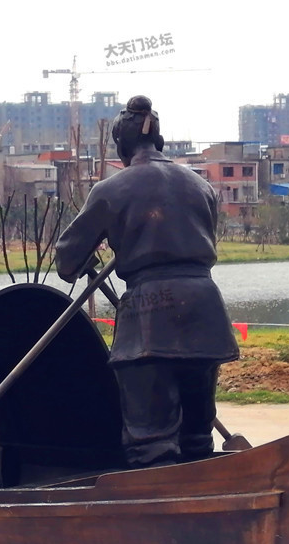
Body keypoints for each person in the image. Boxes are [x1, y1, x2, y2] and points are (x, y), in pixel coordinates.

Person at [55, 95, 239, 467]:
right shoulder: (200, 185)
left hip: (150, 318)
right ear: (159, 139)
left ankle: (159, 497)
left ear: (121, 145)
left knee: (151, 439)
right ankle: (205, 492)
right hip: (204, 310)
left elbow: (67, 259)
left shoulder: (111, 189)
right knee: (197, 434)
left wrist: (92, 255)